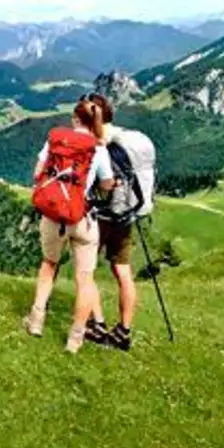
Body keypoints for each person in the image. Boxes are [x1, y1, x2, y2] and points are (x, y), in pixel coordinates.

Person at [24, 95, 117, 354]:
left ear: (74, 118)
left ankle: (36, 321)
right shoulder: (98, 149)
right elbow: (107, 185)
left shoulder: (55, 140)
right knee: (84, 278)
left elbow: (36, 173)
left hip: (54, 216)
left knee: (49, 265)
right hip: (83, 219)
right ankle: (75, 339)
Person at [84, 95, 157, 352]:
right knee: (123, 272)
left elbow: (97, 184)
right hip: (128, 215)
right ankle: (123, 332)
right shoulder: (129, 139)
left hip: (103, 216)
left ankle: (97, 325)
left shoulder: (100, 146)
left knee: (87, 269)